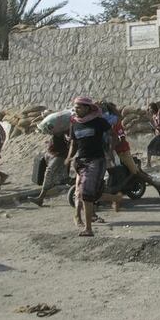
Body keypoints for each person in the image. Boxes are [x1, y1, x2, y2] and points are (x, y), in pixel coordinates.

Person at [66, 97, 119, 237]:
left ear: (87, 108)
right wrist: (69, 157)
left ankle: (88, 228)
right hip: (80, 161)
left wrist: (111, 151)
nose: (76, 109)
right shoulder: (74, 123)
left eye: (79, 107)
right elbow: (73, 143)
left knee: (86, 194)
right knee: (84, 193)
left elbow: (114, 135)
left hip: (96, 161)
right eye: (75, 107)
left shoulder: (98, 121)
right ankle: (115, 198)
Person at [102, 102, 160, 199]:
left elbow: (121, 138)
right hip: (116, 153)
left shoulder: (116, 124)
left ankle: (156, 184)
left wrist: (112, 147)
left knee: (136, 172)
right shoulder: (106, 123)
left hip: (122, 151)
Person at [28, 113, 70, 206]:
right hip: (54, 153)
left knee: (49, 173)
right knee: (64, 178)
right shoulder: (57, 128)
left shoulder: (61, 129)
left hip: (59, 155)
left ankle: (40, 198)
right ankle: (80, 188)